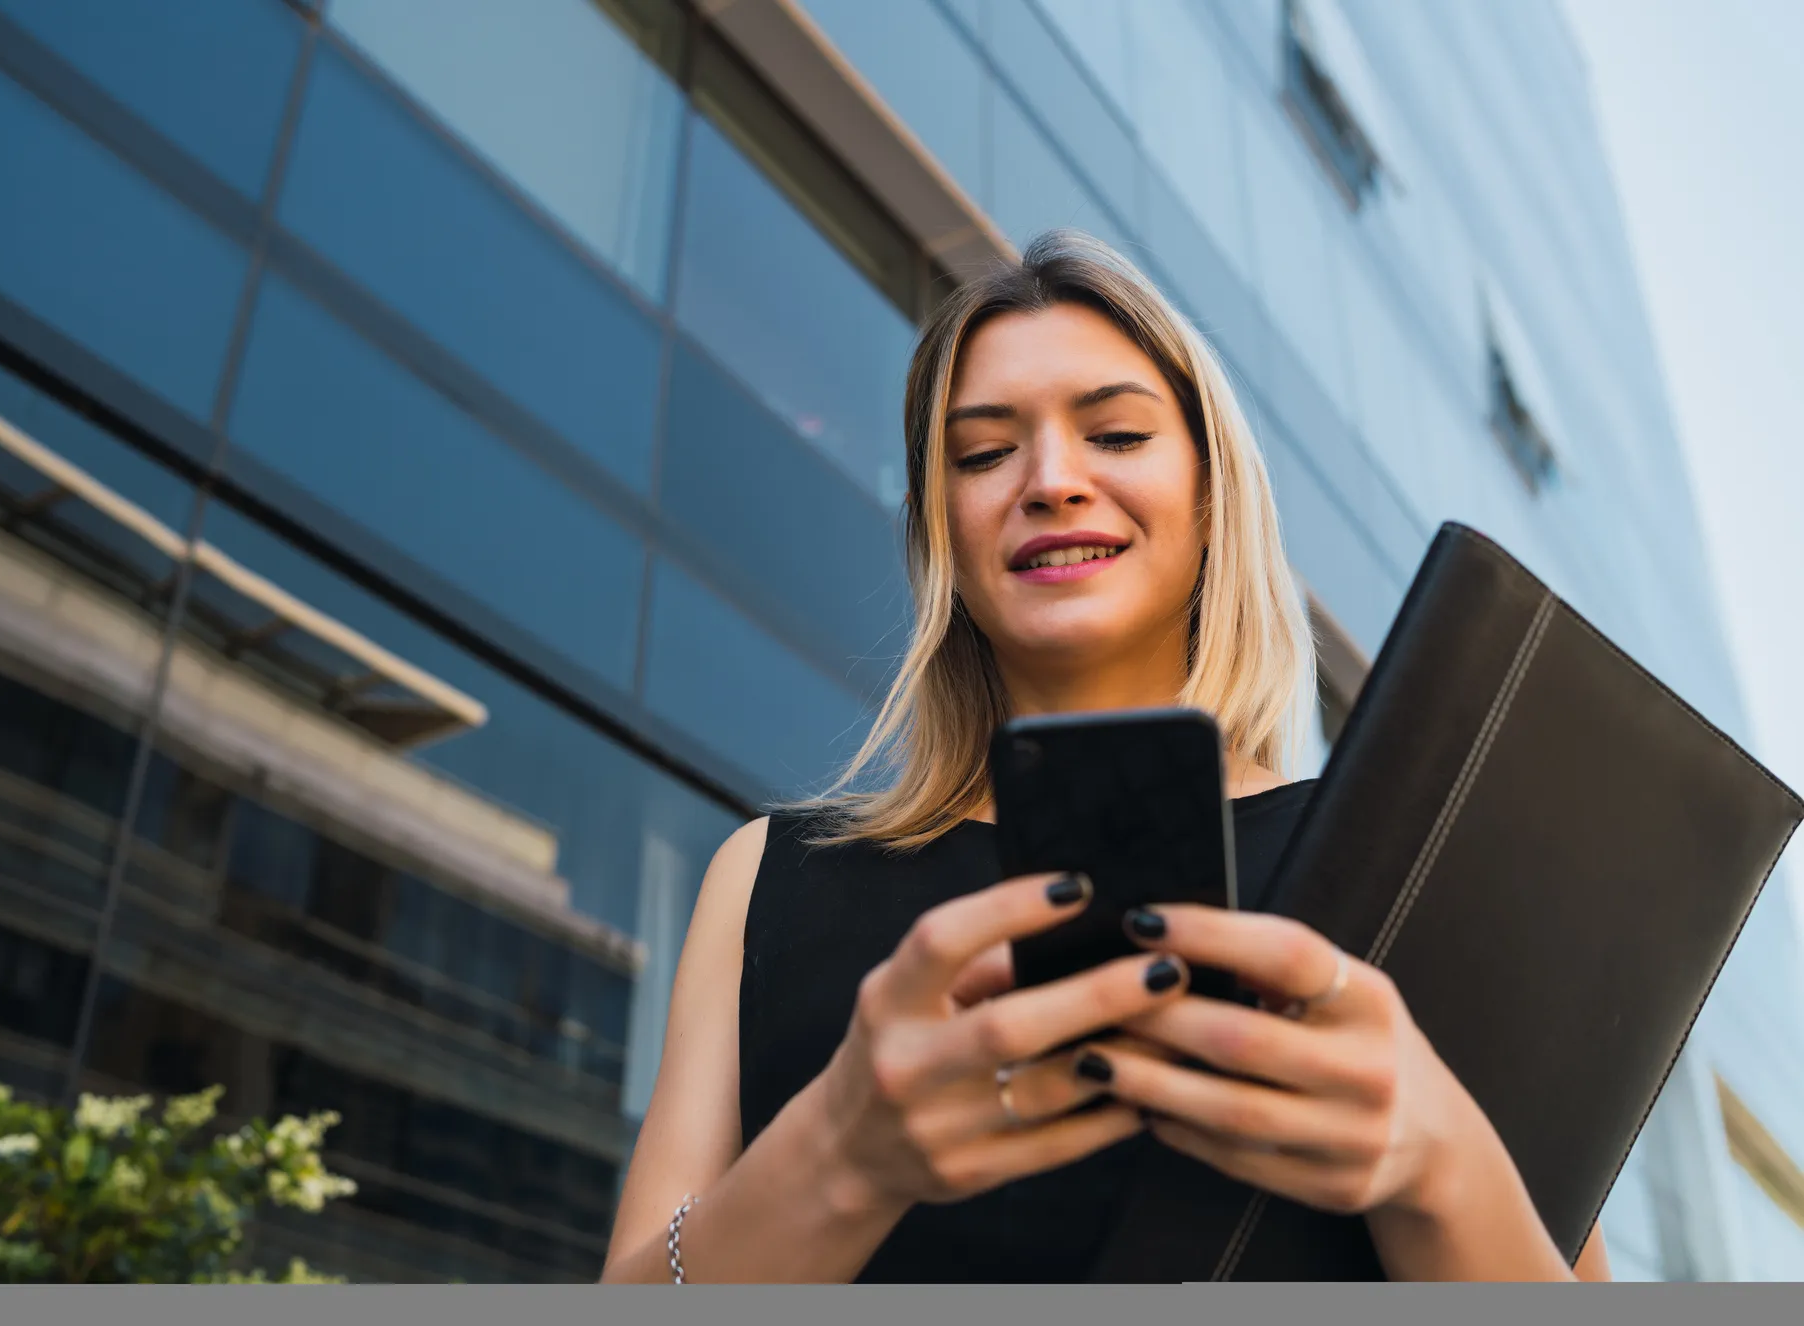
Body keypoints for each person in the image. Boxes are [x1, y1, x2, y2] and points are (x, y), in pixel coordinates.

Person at [600, 230, 1613, 1284]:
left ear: (1212, 492)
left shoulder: (1414, 878)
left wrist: (1437, 1165)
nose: (1048, 480)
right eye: (983, 453)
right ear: (937, 529)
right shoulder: (768, 877)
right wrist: (842, 1154)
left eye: (1116, 434)